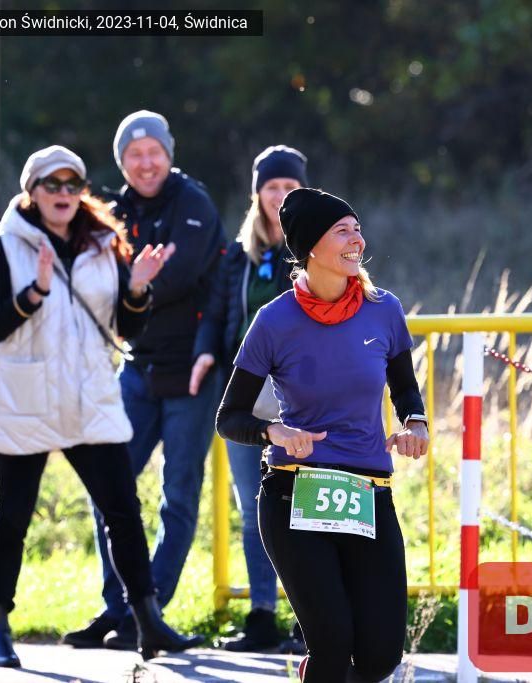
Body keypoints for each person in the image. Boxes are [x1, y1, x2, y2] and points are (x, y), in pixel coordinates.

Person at [0, 145, 202, 666]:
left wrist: (139, 288)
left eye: (72, 184)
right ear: (31, 192)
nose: (63, 193)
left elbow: (126, 327)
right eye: (52, 184)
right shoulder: (6, 244)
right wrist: (34, 292)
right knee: (12, 517)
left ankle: (147, 621)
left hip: (90, 398)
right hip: (25, 399)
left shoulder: (105, 242)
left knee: (123, 511)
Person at [216, 188, 430, 681]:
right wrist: (273, 431)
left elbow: (405, 390)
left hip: (367, 493)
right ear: (311, 246)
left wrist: (415, 424)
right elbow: (229, 417)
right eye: (342, 231)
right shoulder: (273, 321)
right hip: (295, 493)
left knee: (380, 656)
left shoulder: (384, 309)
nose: (357, 240)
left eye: (357, 229)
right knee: (332, 644)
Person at [64, 111, 227, 651]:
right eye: (134, 154)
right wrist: (130, 282)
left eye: (154, 151)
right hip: (136, 368)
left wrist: (130, 283)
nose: (146, 162)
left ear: (169, 153)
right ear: (121, 162)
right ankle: (120, 609)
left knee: (177, 496)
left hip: (192, 373)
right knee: (107, 486)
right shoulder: (112, 212)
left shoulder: (194, 203)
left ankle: (148, 613)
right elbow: (92, 279)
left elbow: (175, 277)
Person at [192, 145, 308, 653]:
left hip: (301, 394)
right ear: (257, 194)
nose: (279, 196)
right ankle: (262, 615)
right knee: (255, 508)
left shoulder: (316, 248)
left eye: (289, 187)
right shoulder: (238, 255)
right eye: (271, 187)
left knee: (305, 509)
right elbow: (218, 315)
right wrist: (204, 353)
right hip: (245, 394)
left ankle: (310, 621)